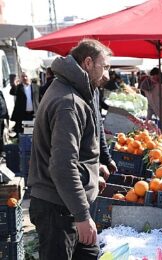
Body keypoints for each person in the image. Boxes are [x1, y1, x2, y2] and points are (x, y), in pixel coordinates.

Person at [28, 39, 112, 259]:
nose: (107, 75)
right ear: (87, 63)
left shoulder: (71, 91)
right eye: (104, 67)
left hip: (66, 205)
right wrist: (82, 216)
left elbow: (71, 154)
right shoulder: (69, 102)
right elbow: (62, 166)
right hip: (58, 210)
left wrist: (92, 173)